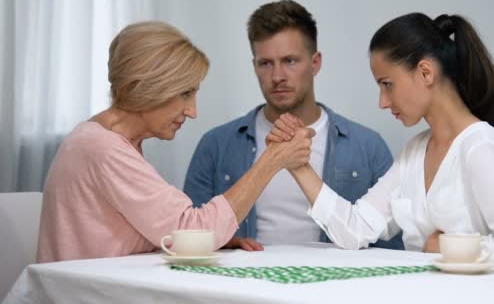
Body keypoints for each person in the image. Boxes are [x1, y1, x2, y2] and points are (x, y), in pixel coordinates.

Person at [269, 13, 494, 262]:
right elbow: (356, 229)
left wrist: (447, 247)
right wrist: (299, 167)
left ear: (425, 72)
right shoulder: (414, 152)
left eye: (387, 84)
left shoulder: (478, 147)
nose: (382, 102)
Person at [37, 21, 313, 263]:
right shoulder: (102, 149)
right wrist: (271, 160)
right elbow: (191, 231)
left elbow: (150, 233)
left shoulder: (107, 142)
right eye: (184, 93)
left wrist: (215, 239)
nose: (193, 111)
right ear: (146, 86)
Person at [183, 0, 403, 251]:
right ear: (254, 67)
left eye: (290, 61)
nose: (277, 77)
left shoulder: (367, 146)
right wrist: (226, 245)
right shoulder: (216, 145)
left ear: (315, 62)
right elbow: (190, 238)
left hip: (337, 287)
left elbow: (392, 248)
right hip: (242, 285)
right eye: (265, 63)